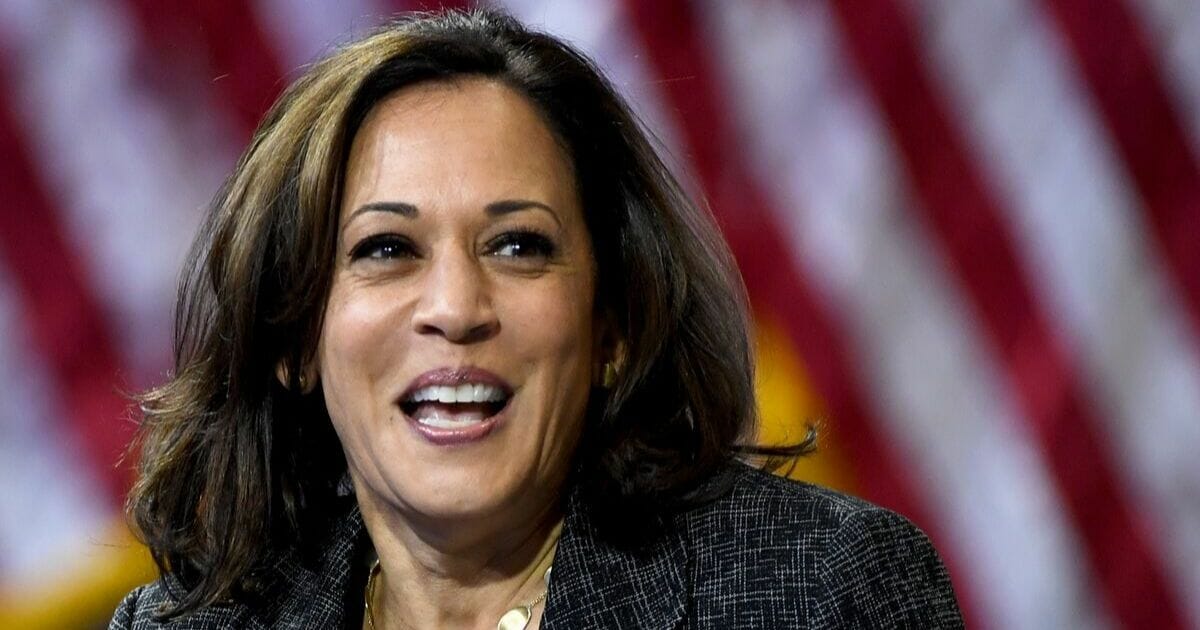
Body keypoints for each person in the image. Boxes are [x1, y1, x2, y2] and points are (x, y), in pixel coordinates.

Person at [111, 9, 963, 629]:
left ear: (614, 323)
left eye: (518, 246)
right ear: (294, 334)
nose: (455, 309)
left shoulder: (817, 594)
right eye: (385, 250)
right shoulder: (185, 627)